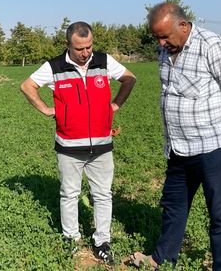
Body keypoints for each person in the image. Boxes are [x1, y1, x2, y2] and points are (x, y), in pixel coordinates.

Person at [130, 3, 221, 270]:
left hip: (214, 145)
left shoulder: (212, 46)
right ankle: (162, 257)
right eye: (157, 38)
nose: (161, 43)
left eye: (165, 36)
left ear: (183, 26)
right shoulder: (165, 50)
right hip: (178, 146)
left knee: (220, 212)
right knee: (173, 205)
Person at [21, 21, 136, 265]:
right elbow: (27, 86)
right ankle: (71, 239)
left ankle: (102, 242)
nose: (86, 53)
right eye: (80, 49)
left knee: (103, 194)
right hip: (69, 146)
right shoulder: (54, 66)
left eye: (89, 47)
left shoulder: (103, 61)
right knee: (69, 194)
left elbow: (129, 79)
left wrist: (115, 105)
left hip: (102, 146)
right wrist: (45, 109)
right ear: (68, 46)